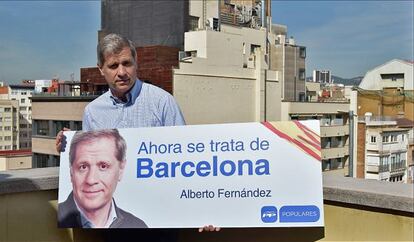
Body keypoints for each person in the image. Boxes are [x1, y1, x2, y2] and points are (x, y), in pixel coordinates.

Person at [56, 33, 219, 237]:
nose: (122, 72)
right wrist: (67, 144)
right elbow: (90, 163)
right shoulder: (93, 112)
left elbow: (188, 160)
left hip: (161, 222)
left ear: (136, 63)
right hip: (116, 229)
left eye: (127, 63)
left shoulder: (162, 102)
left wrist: (206, 209)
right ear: (101, 70)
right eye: (113, 66)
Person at [58, 129, 147, 228]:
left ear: (121, 169)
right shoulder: (52, 218)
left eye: (103, 166)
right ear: (71, 172)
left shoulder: (137, 226)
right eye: (83, 167)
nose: (91, 180)